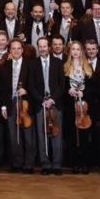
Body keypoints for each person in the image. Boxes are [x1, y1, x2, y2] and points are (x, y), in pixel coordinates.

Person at [31, 36, 64, 174]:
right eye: (40, 46)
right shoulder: (33, 63)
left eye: (45, 46)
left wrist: (52, 99)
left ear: (49, 47)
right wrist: (42, 100)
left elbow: (62, 85)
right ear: (38, 47)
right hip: (41, 104)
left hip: (55, 103)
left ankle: (56, 165)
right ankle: (45, 165)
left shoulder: (58, 63)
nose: (43, 48)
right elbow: (31, 86)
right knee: (41, 135)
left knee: (57, 135)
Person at [0, 38, 34, 172]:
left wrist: (27, 90)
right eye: (13, 48)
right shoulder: (5, 66)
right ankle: (17, 163)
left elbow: (36, 84)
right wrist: (3, 106)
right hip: (10, 103)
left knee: (28, 135)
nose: (16, 51)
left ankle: (29, 164)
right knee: (14, 136)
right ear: (10, 50)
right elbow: (2, 88)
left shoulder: (30, 64)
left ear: (22, 49)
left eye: (18, 48)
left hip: (26, 104)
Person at [64, 40, 93, 173]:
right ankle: (74, 162)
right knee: (72, 135)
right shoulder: (65, 67)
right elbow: (61, 85)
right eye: (73, 49)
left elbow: (93, 87)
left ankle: (85, 163)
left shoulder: (88, 67)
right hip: (71, 105)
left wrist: (84, 92)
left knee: (84, 135)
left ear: (82, 52)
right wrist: (68, 90)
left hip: (84, 106)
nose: (75, 52)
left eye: (78, 49)